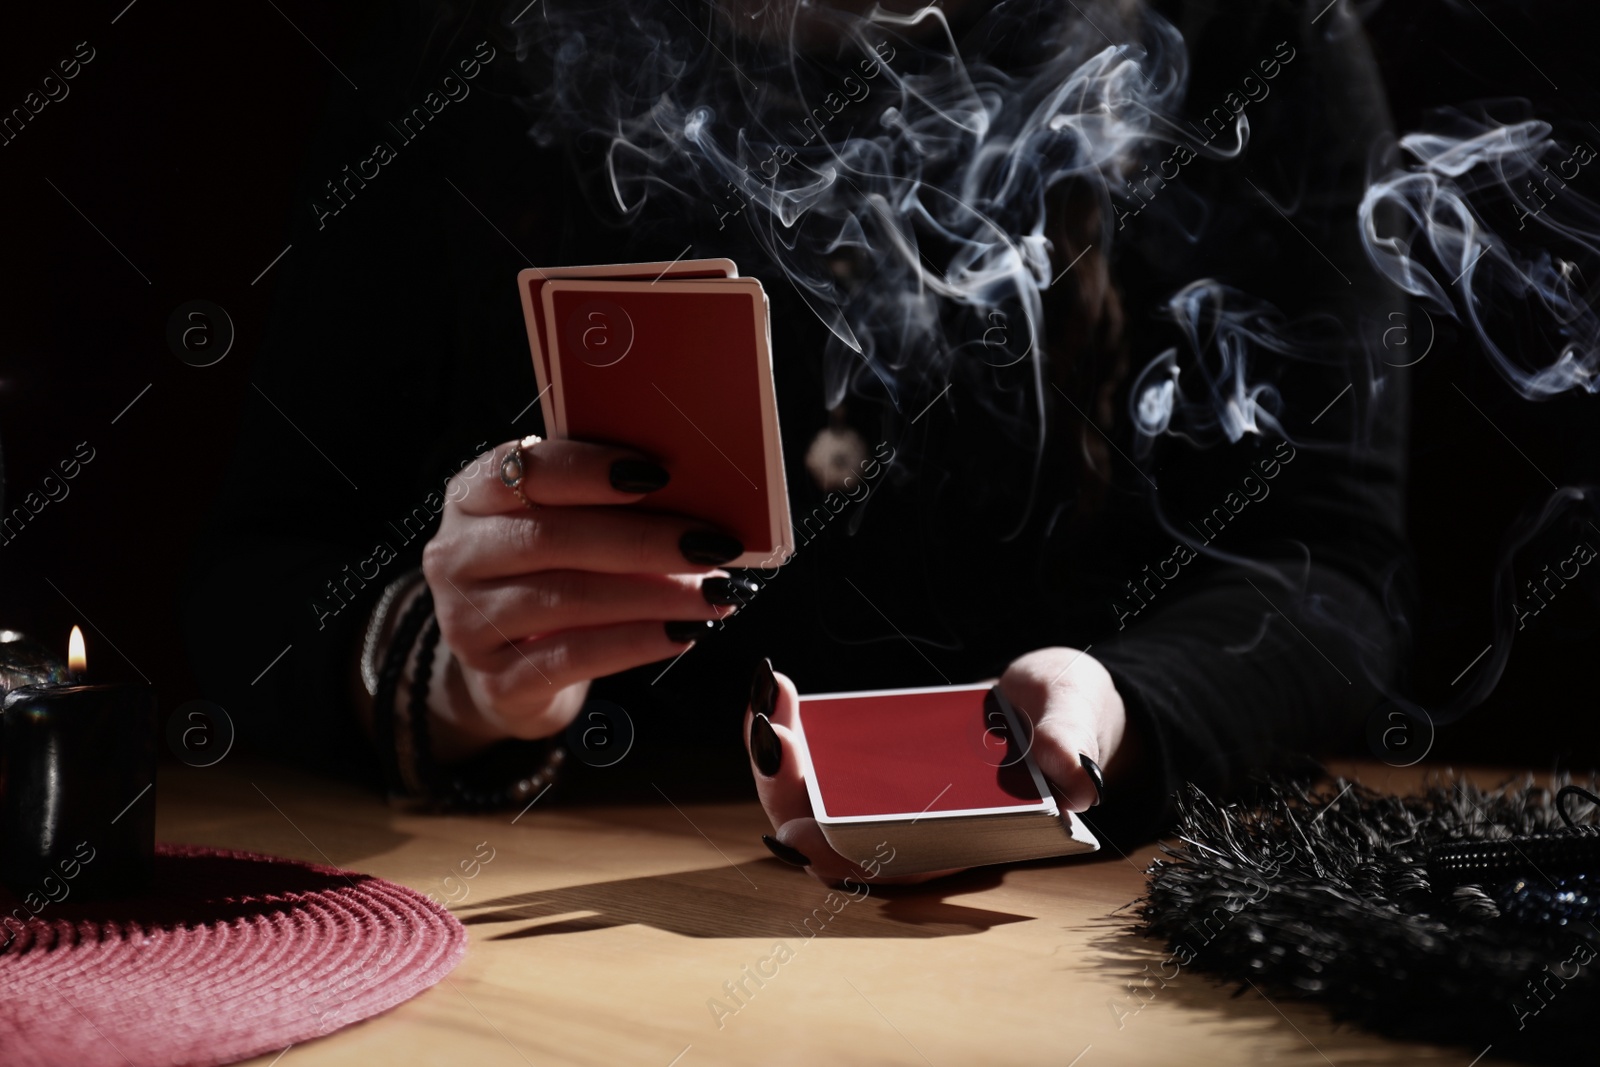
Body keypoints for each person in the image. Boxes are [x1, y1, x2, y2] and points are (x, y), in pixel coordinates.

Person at [183, 0, 1408, 883]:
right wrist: (457, 679)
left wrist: (1112, 711)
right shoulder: (468, 52)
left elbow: (1327, 574)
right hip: (522, 927)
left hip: (1070, 931)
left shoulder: (1254, 37)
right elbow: (250, 583)